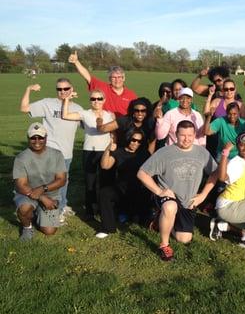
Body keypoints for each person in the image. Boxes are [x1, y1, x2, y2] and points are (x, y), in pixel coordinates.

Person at [137, 120, 218, 261]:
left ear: (194, 135)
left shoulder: (201, 153)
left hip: (188, 201)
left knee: (184, 239)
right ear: (176, 135)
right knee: (170, 206)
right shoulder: (164, 152)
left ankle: (160, 221)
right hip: (168, 197)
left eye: (190, 135)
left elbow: (215, 173)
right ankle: (164, 245)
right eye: (182, 135)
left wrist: (203, 195)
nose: (186, 139)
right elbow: (142, 173)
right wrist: (159, 191)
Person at [19, 79, 82, 219]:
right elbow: (24, 108)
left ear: (72, 89)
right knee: (48, 181)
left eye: (66, 88)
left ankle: (62, 205)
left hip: (66, 153)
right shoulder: (47, 103)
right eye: (60, 89)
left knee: (64, 180)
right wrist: (28, 89)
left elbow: (89, 124)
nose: (63, 92)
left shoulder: (78, 108)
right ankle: (49, 210)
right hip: (49, 152)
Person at [62, 90, 114, 220]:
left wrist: (113, 145)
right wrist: (67, 98)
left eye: (99, 98)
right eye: (93, 99)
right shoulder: (85, 114)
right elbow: (65, 115)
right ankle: (90, 211)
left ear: (104, 100)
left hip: (105, 152)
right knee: (90, 182)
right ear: (90, 101)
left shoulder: (110, 115)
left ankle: (104, 209)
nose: (96, 101)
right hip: (89, 151)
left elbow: (113, 133)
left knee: (105, 182)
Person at [13, 123, 67, 241]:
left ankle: (36, 214)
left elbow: (62, 180)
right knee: (24, 209)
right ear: (28, 138)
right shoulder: (21, 158)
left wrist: (43, 189)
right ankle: (27, 227)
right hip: (27, 194)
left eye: (40, 137)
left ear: (46, 138)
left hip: (51, 194)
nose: (37, 140)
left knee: (49, 231)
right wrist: (42, 197)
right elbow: (20, 185)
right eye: (33, 137)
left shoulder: (57, 154)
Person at [97, 129, 151, 238]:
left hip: (139, 191)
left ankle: (134, 216)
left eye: (139, 141)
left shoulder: (144, 153)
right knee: (104, 193)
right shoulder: (119, 152)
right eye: (133, 140)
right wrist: (108, 149)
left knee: (138, 221)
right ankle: (107, 228)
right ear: (128, 138)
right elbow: (105, 165)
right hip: (121, 189)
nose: (136, 143)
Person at [68, 50, 137, 117]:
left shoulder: (131, 95)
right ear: (110, 79)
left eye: (119, 77)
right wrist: (76, 62)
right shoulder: (102, 87)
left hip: (123, 127)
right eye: (114, 77)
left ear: (124, 78)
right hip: (105, 126)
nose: (117, 80)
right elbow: (87, 76)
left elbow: (136, 114)